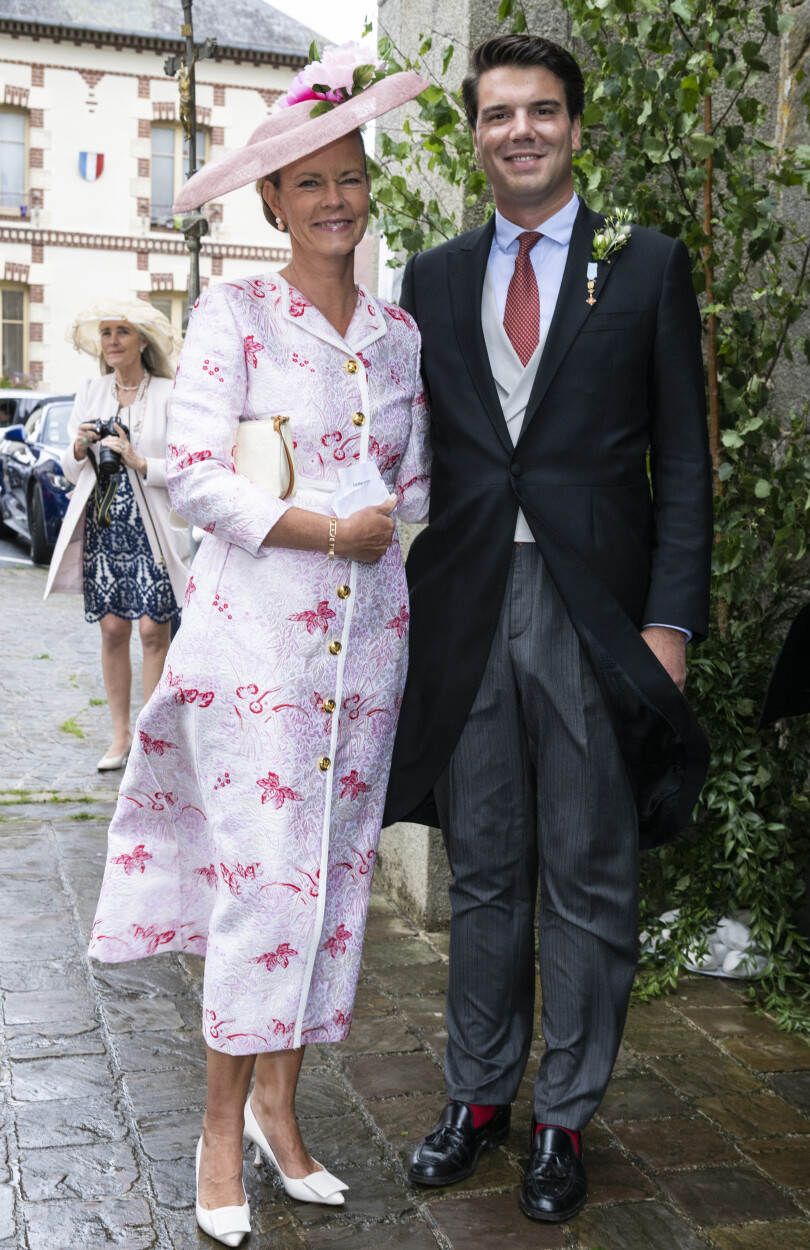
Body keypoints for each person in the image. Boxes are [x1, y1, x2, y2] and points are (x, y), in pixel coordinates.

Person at [87, 46, 430, 1248]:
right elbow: (189, 473)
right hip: (256, 655)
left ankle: (287, 1116)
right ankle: (220, 1130)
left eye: (349, 177)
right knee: (262, 893)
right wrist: (326, 525)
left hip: (366, 655)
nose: (334, 198)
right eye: (308, 183)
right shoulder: (232, 312)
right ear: (270, 202)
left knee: (331, 893)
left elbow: (418, 485)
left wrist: (386, 532)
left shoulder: (397, 335)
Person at [383, 33, 714, 1223]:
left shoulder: (646, 266)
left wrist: (669, 623)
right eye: (497, 114)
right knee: (482, 871)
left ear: (575, 128)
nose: (518, 130)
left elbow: (684, 459)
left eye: (541, 112)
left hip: (597, 615)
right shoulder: (429, 276)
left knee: (586, 873)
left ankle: (564, 1116)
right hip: (466, 610)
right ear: (475, 135)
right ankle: (478, 1098)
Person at [44, 300, 188, 771]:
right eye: (106, 333)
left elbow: (189, 466)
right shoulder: (92, 390)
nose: (112, 341)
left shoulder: (168, 392)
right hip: (106, 526)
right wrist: (80, 445)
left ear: (142, 341)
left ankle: (150, 737)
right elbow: (70, 468)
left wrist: (138, 459)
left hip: (151, 527)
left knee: (152, 631)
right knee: (112, 629)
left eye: (122, 332)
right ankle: (120, 734)